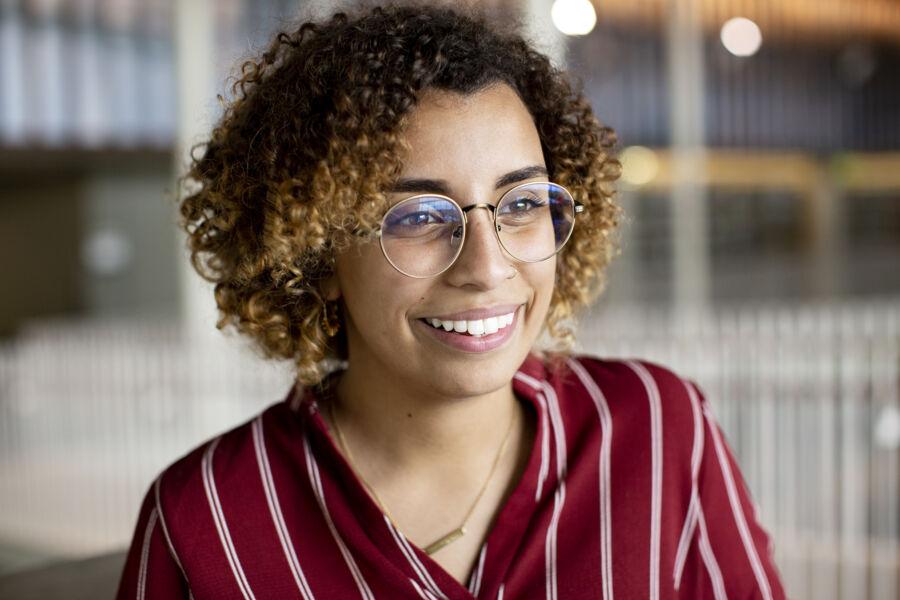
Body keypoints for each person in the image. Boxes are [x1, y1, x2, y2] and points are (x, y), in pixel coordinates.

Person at [116, 3, 786, 598]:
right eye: (417, 217)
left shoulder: (660, 432)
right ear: (314, 254)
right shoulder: (207, 520)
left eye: (522, 203)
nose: (487, 266)